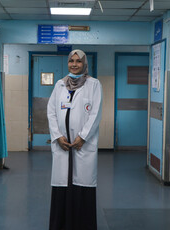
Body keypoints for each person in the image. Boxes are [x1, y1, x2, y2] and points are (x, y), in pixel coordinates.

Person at [47, 49, 103, 230]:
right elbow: (51, 112)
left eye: (78, 61)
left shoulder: (94, 85)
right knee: (62, 184)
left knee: (82, 185)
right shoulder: (59, 85)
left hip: (82, 146)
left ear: (84, 63)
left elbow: (95, 114)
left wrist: (83, 137)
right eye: (71, 61)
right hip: (62, 144)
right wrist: (57, 136)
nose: (74, 64)